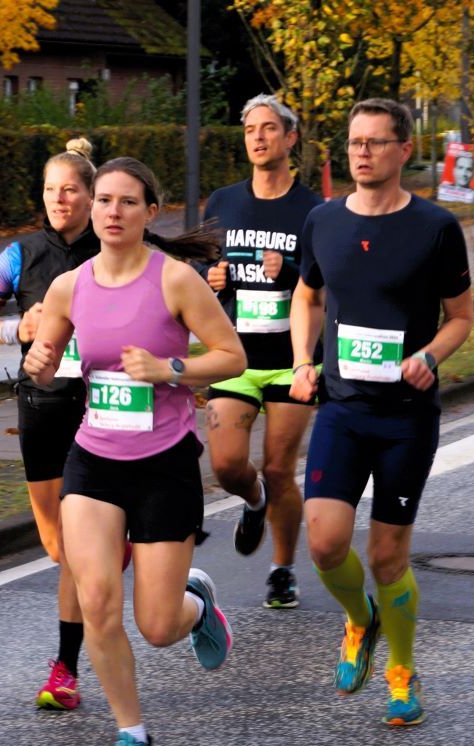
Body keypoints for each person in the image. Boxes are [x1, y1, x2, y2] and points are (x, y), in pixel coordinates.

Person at [22, 158, 245, 746]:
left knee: (156, 625)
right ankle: (133, 739)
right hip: (93, 457)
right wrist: (38, 361)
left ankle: (196, 608)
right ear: (92, 210)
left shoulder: (174, 280)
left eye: (127, 202)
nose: (113, 212)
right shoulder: (70, 286)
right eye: (105, 201)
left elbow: (233, 356)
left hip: (164, 465)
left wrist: (172, 371)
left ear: (151, 212)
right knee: (95, 598)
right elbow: (49, 368)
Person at [289, 98, 473, 727]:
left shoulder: (435, 228)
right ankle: (359, 619)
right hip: (342, 408)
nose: (361, 152)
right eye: (354, 142)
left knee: (390, 557)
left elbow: (462, 317)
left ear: (402, 150)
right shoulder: (322, 221)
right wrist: (302, 359)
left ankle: (401, 672)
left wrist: (429, 354)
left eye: (374, 142)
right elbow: (307, 296)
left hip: (406, 418)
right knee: (325, 542)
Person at [0, 138, 102, 710]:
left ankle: (65, 669)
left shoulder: (114, 248)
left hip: (102, 411)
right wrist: (16, 332)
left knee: (74, 549)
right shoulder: (19, 255)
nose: (59, 199)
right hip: (43, 407)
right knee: (55, 544)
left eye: (70, 189)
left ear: (92, 197)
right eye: (50, 189)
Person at [203, 95, 325, 607]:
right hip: (233, 354)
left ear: (290, 139)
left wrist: (292, 273)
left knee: (279, 468)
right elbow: (204, 274)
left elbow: (324, 287)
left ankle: (282, 568)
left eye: (269, 129)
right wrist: (212, 280)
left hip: (291, 359)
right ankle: (253, 502)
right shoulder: (223, 203)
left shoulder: (313, 210)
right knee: (228, 465)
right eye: (250, 128)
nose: (258, 137)